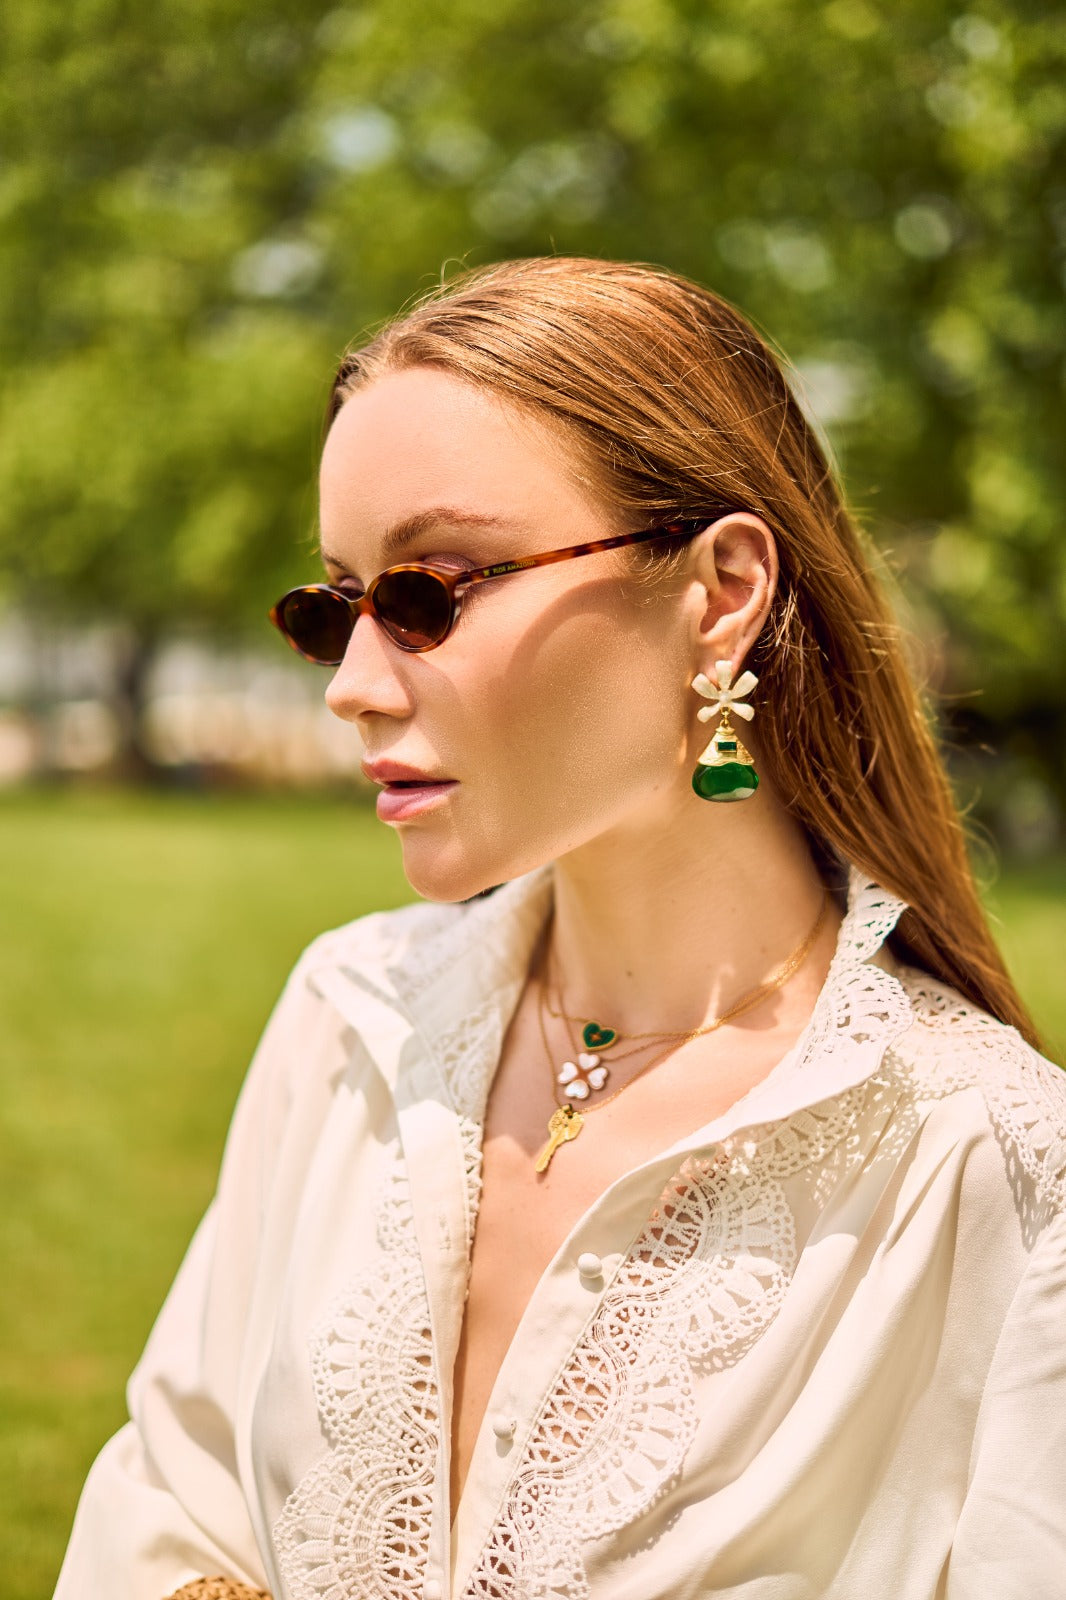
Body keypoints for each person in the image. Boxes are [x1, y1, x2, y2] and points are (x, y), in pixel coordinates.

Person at [55, 257, 1066, 1600]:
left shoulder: (982, 1166)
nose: (353, 684)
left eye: (429, 591)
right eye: (335, 606)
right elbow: (168, 1508)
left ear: (721, 590)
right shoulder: (350, 1020)